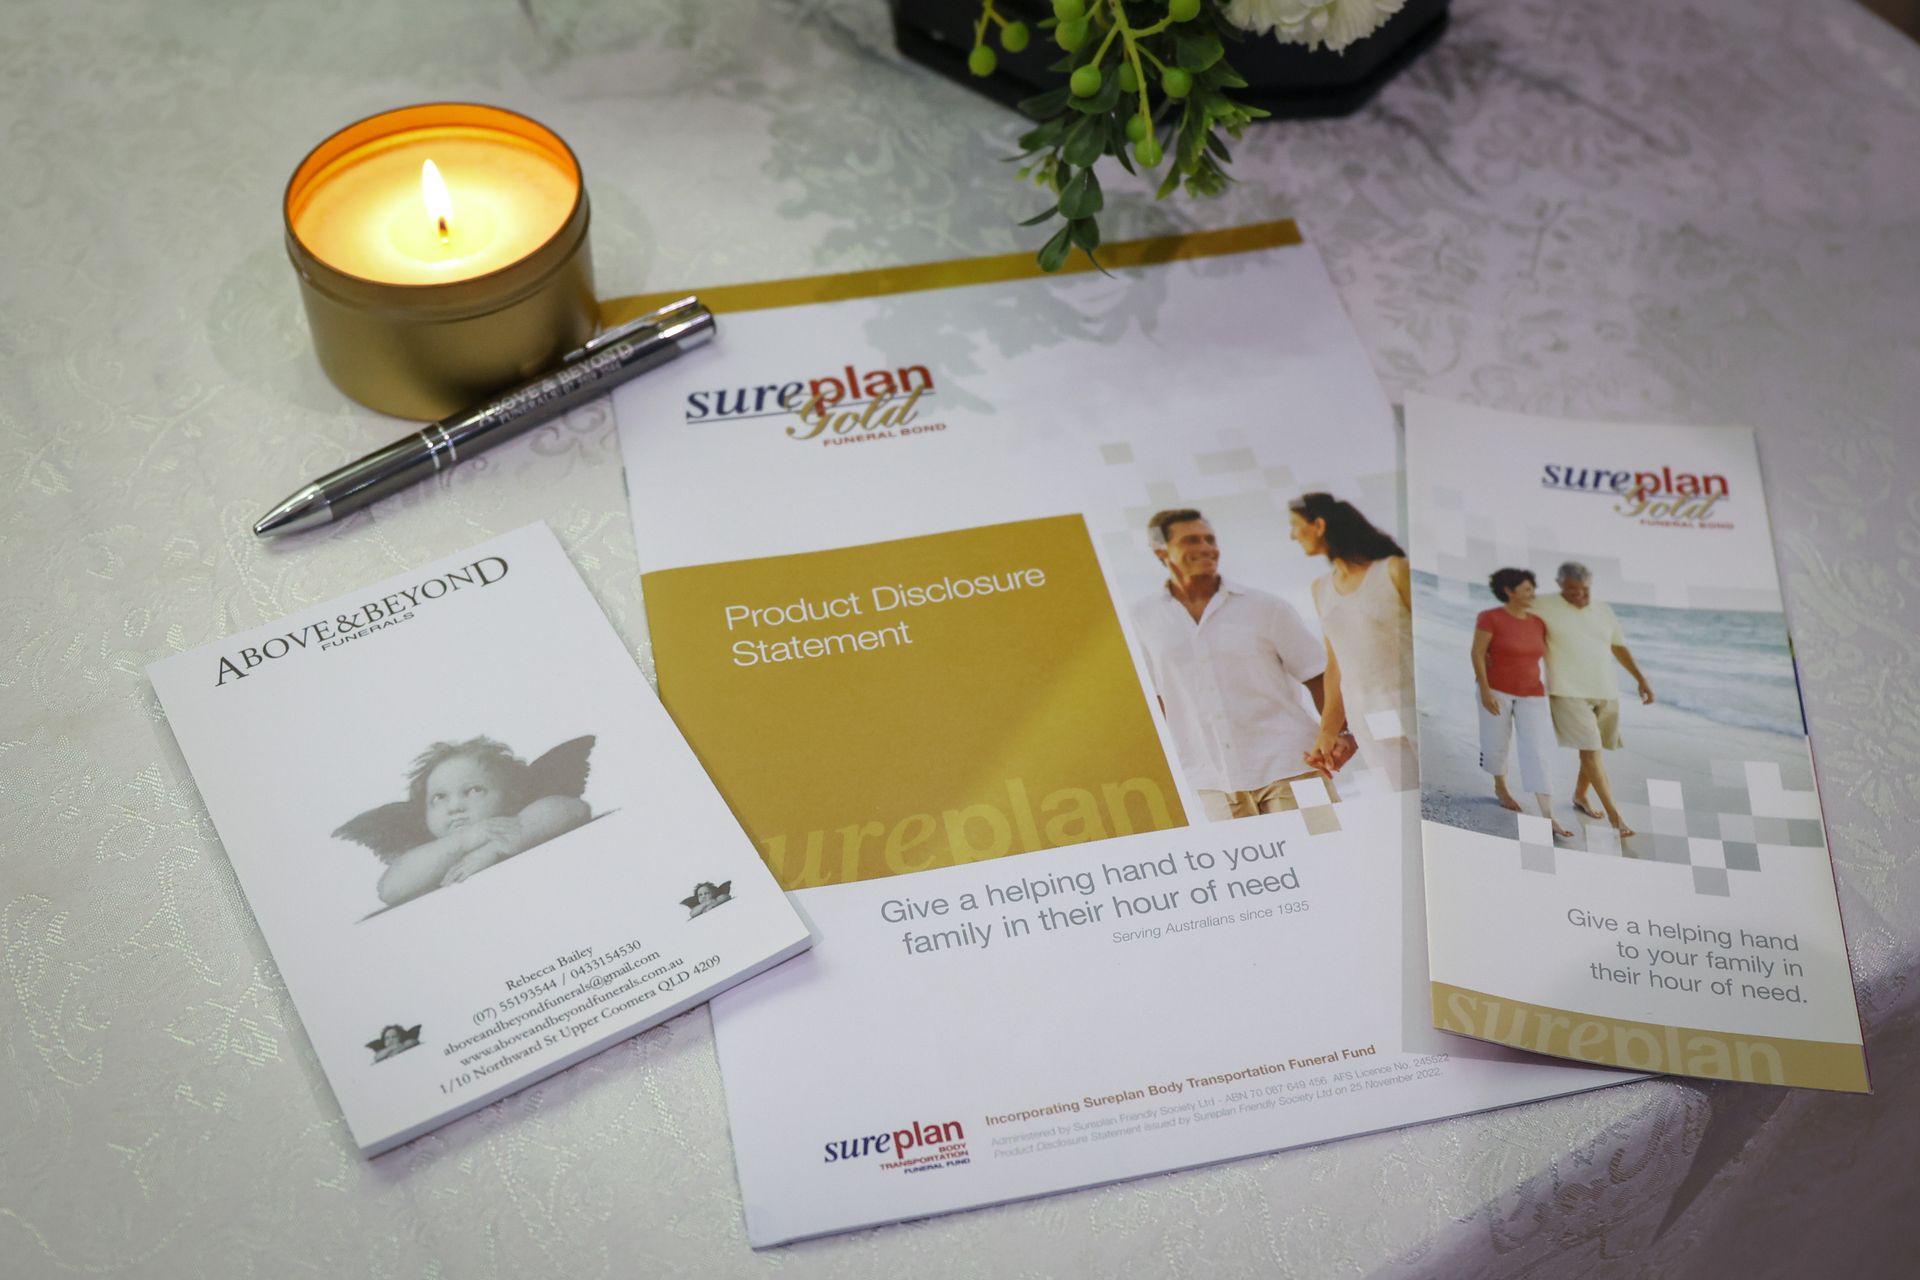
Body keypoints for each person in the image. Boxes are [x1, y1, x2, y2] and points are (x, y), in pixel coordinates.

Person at [1129, 508, 1335, 820]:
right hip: (1211, 781)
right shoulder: (1141, 619)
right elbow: (1155, 698)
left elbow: (1319, 675)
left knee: (1326, 854)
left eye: (1210, 539)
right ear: (1161, 550)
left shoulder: (1265, 607)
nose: (1206, 548)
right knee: (1251, 868)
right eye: (1191, 540)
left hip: (1292, 763)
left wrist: (1337, 736)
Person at [1286, 493, 1418, 790]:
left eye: (1295, 525)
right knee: (1403, 802)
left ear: (1318, 525)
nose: (1292, 535)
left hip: (1417, 710)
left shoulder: (1394, 570)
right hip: (1369, 718)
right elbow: (1336, 666)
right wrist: (1329, 732)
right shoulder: (1321, 589)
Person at [375, 738, 592, 905]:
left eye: (474, 790)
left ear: (511, 796)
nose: (454, 807)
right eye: (439, 797)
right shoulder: (431, 856)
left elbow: (573, 808)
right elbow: (389, 890)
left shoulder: (519, 820)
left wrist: (496, 847)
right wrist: (463, 841)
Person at [1531, 563, 1655, 838]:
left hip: (1606, 690)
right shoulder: (1541, 605)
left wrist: (1641, 679)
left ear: (1591, 585)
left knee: (1595, 748)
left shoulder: (1603, 609)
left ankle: (1580, 795)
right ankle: (1615, 817)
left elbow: (1618, 646)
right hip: (1566, 691)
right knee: (1591, 751)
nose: (1578, 594)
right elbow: (1516, 626)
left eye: (1584, 589)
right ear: (1560, 584)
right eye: (1572, 589)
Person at [1473, 568, 1574, 839]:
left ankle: (1549, 815)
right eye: (1527, 589)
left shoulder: (1538, 622)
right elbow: (1478, 653)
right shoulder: (1490, 617)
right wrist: (1484, 690)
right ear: (1509, 591)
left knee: (1536, 751)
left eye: (1533, 589)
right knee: (1495, 744)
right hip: (1496, 691)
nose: (1533, 594)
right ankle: (1501, 787)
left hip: (1533, 694)